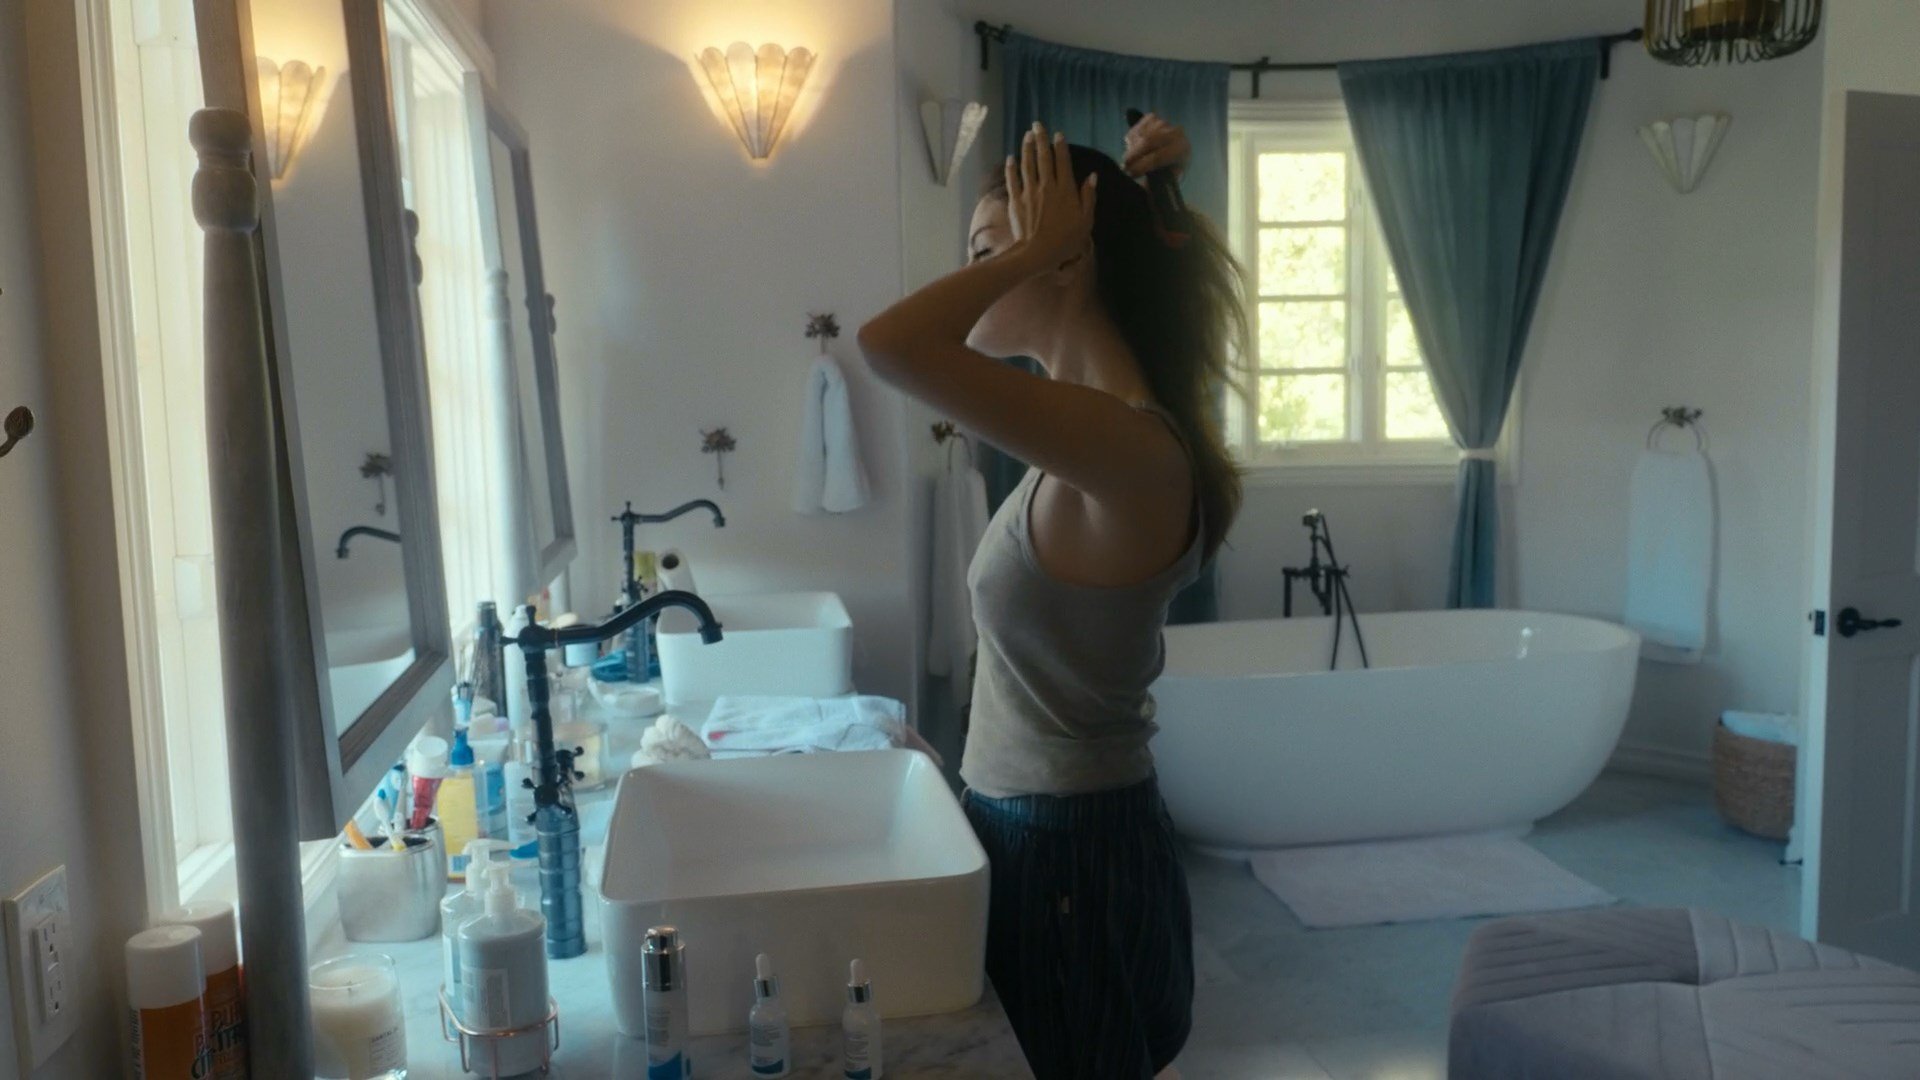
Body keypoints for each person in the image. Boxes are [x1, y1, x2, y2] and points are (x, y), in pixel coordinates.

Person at [856, 114, 1247, 1080]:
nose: (975, 272)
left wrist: (1037, 248)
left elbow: (890, 345)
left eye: (989, 249)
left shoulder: (1132, 450)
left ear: (1070, 257)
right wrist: (955, 774)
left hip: (1073, 856)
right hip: (1047, 834)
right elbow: (1051, 676)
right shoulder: (1084, 444)